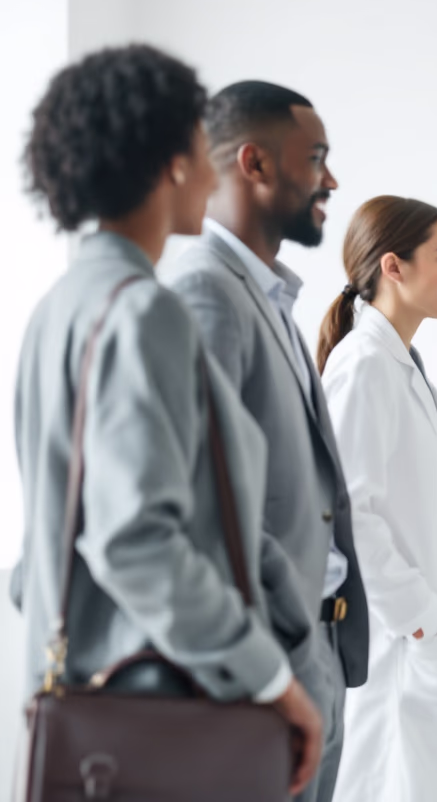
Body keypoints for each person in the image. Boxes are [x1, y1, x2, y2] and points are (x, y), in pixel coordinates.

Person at [12, 45, 321, 794]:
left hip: (87, 702)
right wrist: (270, 677)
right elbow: (134, 539)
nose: (212, 172)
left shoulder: (60, 309)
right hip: (162, 709)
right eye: (197, 145)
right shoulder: (144, 312)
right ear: (172, 161)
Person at [162, 80, 368, 802]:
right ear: (254, 163)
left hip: (316, 654)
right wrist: (273, 657)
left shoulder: (270, 296)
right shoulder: (204, 291)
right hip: (265, 664)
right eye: (315, 159)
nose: (331, 180)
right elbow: (204, 509)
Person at [317, 196, 437, 802]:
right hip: (405, 651)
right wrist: (420, 615)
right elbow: (345, 513)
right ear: (394, 266)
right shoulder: (363, 366)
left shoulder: (400, 366)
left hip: (427, 649)